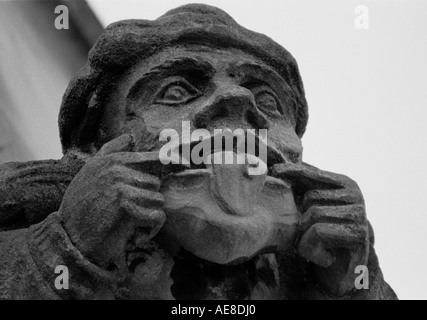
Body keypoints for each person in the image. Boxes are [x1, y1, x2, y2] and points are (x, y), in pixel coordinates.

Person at [0, 4, 397, 300]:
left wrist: (356, 286)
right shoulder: (19, 227)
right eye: (176, 91)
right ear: (95, 148)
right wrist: (67, 250)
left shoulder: (311, 267)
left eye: (268, 100)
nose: (236, 99)